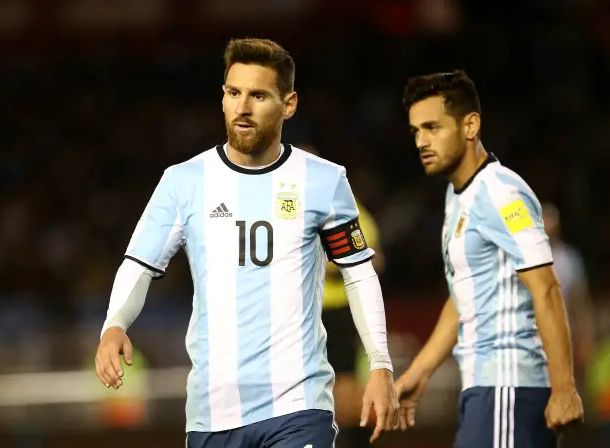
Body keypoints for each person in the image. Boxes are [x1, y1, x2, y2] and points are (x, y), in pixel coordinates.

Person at [94, 38, 399, 448]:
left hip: (298, 405)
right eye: (234, 93)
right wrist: (114, 324)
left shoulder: (325, 181)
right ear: (222, 97)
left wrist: (380, 364)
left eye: (258, 95)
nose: (243, 106)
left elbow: (359, 274)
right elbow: (138, 264)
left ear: (288, 104)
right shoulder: (184, 182)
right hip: (212, 412)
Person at [392, 70, 584, 447]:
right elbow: (463, 296)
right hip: (485, 390)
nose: (421, 141)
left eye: (432, 127)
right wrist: (419, 371)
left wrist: (564, 388)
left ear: (470, 125)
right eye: (416, 131)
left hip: (509, 387)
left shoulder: (501, 192)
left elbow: (545, 288)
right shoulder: (458, 196)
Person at [303, 144, 386, 448]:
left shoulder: (349, 209)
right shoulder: (290, 208)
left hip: (338, 312)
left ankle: (353, 442)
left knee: (345, 388)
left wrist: (327, 264)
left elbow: (374, 259)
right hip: (303, 314)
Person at [541, 203, 596, 374]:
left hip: (565, 340)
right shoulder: (525, 257)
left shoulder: (570, 259)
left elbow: (580, 301)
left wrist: (586, 338)